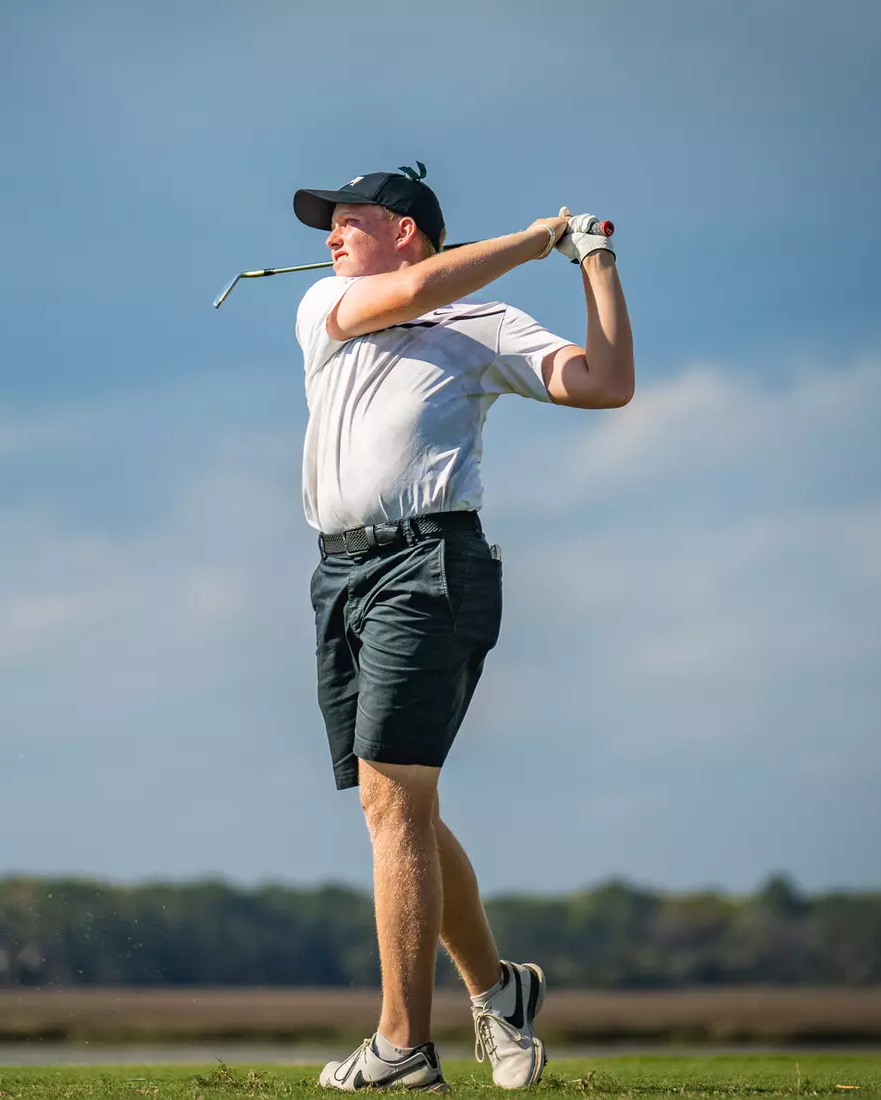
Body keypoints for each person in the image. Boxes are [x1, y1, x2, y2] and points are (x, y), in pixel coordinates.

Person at [292, 164, 634, 1092]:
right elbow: (414, 291)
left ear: (405, 226)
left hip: (430, 564)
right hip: (340, 572)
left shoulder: (485, 325)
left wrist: (592, 261)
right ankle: (499, 989)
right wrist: (530, 242)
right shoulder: (333, 301)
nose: (329, 237)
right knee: (391, 802)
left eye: (348, 219)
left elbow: (604, 383)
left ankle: (402, 1048)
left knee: (395, 801)